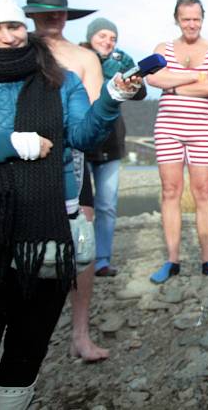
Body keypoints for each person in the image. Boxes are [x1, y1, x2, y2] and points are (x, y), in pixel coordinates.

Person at [0, 0, 139, 409]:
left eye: (12, 25)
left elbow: (83, 134)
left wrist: (112, 99)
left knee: (28, 350)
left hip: (47, 231)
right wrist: (6, 144)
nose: (8, 36)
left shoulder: (59, 80)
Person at [23, 0, 109, 361]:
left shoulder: (84, 57)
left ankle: (80, 333)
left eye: (58, 11)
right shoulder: (18, 49)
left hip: (73, 159)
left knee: (83, 245)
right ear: (32, 17)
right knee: (14, 245)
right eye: (44, 13)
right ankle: (1, 339)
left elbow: (88, 118)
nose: (53, 18)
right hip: (22, 158)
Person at [147, 0, 208, 283]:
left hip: (202, 130)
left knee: (203, 192)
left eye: (196, 18)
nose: (191, 24)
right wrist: (195, 77)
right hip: (167, 127)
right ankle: (172, 260)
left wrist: (175, 84)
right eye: (186, 19)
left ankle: (207, 259)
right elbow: (153, 80)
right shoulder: (162, 48)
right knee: (170, 191)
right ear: (177, 19)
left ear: (202, 19)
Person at [80, 18, 147, 276]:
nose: (108, 41)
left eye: (112, 37)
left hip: (111, 140)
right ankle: (77, 257)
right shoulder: (79, 55)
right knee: (79, 204)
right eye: (102, 36)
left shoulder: (120, 61)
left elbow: (140, 94)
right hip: (82, 140)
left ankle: (102, 260)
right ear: (90, 37)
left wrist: (133, 74)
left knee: (106, 204)